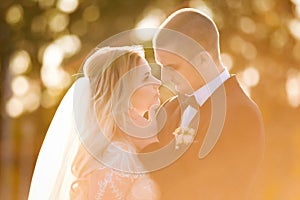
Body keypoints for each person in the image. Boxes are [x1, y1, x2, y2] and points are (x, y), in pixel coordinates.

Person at [145, 8, 265, 199]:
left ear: (202, 59)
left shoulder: (240, 113)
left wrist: (148, 147)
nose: (165, 77)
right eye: (161, 67)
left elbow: (210, 191)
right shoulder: (168, 109)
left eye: (172, 67)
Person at [28, 46, 161, 199]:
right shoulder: (117, 156)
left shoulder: (126, 148)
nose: (157, 82)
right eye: (146, 77)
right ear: (123, 93)